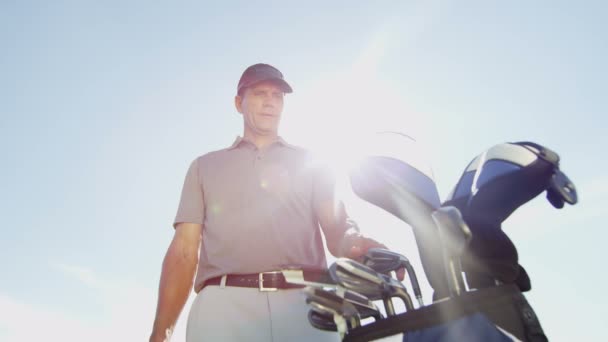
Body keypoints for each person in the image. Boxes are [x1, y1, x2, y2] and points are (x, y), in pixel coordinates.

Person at [149, 63, 402, 342]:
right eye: (260, 94)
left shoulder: (312, 163)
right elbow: (184, 252)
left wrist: (356, 242)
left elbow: (338, 231)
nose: (270, 102)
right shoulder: (203, 167)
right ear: (238, 103)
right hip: (223, 309)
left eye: (277, 96)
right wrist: (161, 332)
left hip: (307, 305)